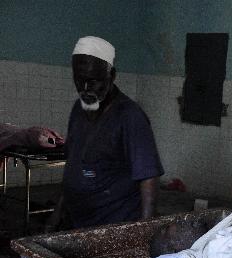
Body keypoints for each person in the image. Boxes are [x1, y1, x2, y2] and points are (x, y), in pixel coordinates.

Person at [47, 36, 164, 230]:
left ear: (112, 75)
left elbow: (148, 176)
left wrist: (143, 231)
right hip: (79, 222)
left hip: (112, 226)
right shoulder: (78, 109)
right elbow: (72, 167)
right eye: (79, 79)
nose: (84, 89)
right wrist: (57, 213)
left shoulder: (129, 116)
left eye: (92, 82)